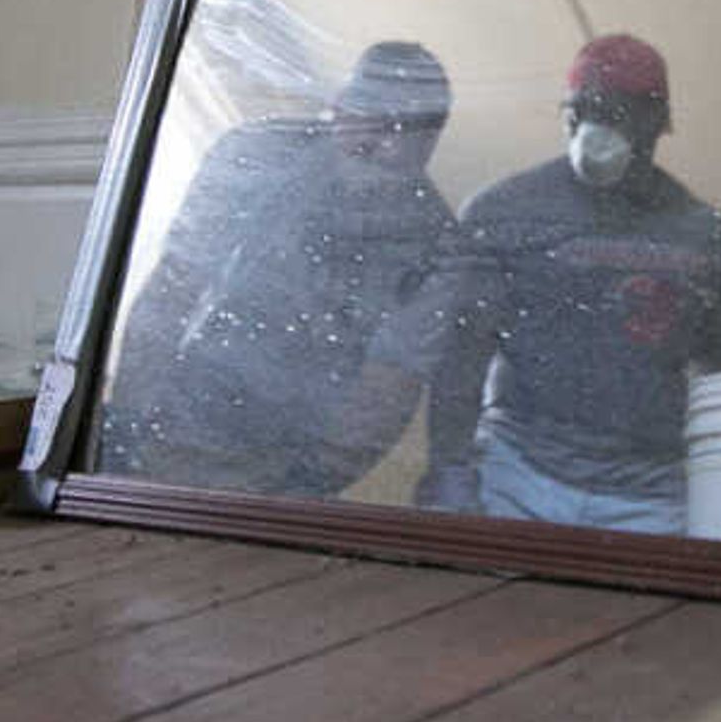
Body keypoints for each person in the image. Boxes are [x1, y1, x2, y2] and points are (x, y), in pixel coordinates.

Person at [374, 33, 721, 535]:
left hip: (650, 492)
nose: (595, 130)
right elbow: (464, 356)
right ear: (566, 115)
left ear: (656, 125)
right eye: (582, 112)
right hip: (518, 473)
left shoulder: (702, 232)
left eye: (617, 114)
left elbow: (715, 358)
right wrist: (450, 471)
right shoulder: (505, 213)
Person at [93, 41, 456, 499]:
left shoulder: (436, 245)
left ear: (433, 141)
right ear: (339, 107)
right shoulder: (260, 153)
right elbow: (174, 286)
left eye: (412, 130)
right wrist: (126, 423)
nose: (387, 144)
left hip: (282, 460)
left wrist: (305, 486)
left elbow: (389, 388)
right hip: (175, 417)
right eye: (374, 120)